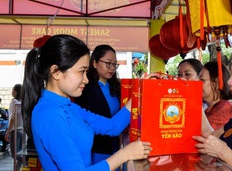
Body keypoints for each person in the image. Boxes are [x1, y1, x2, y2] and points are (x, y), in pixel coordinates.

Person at [22, 34, 152, 171]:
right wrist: (124, 154)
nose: (86, 79)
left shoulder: (69, 107)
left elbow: (112, 127)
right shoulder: (50, 114)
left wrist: (141, 90)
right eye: (82, 72)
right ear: (56, 72)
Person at [74, 44, 122, 164]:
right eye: (108, 63)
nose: (112, 68)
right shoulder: (85, 89)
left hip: (115, 146)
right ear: (94, 63)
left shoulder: (115, 87)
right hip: (96, 148)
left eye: (115, 64)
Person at [199, 61, 232, 130]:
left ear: (217, 83)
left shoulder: (226, 107)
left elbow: (211, 136)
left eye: (202, 79)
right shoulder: (208, 109)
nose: (198, 83)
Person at [5, 84, 23, 167]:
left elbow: (13, 117)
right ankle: (19, 168)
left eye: (13, 90)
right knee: (19, 152)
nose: (12, 92)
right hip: (22, 131)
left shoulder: (14, 102)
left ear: (16, 92)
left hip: (15, 130)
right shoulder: (22, 102)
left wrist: (8, 131)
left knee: (14, 154)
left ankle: (24, 159)